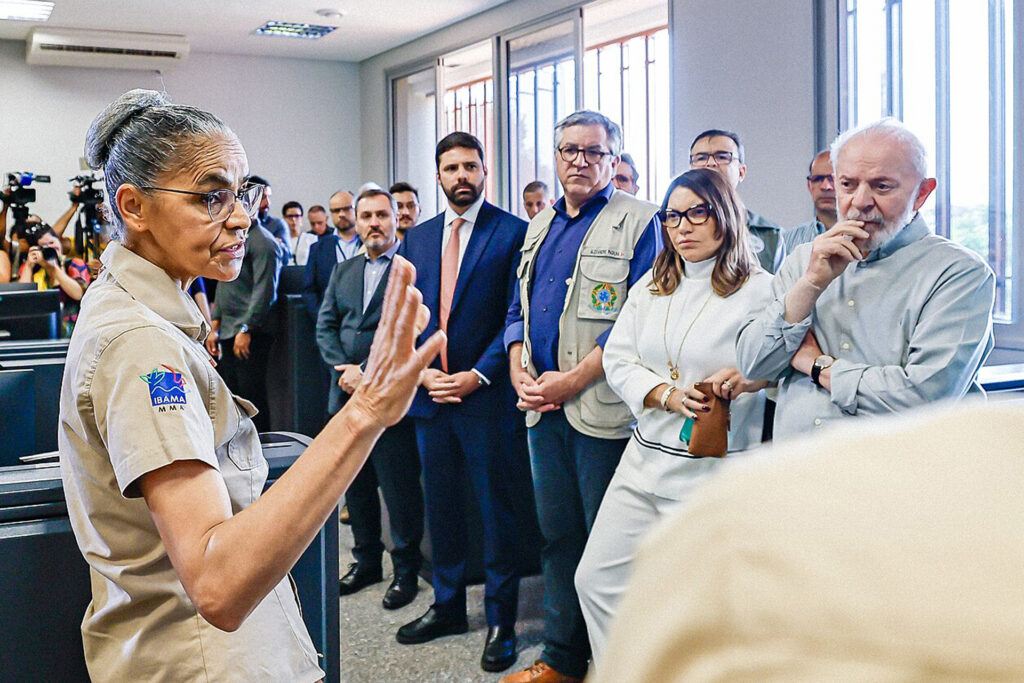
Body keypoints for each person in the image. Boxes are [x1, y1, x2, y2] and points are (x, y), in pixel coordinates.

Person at [58, 88, 443, 682]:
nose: (242, 216)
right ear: (133, 207)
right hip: (200, 660)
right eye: (212, 197)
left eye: (243, 194)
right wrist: (362, 414)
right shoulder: (140, 344)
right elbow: (218, 582)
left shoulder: (142, 307)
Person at [592, 400, 1024, 682]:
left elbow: (920, 389)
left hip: (730, 471)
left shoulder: (732, 532)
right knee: (593, 576)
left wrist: (818, 366)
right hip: (663, 454)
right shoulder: (798, 278)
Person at [575, 168, 772, 666]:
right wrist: (662, 393)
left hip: (711, 472)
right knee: (596, 580)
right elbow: (618, 357)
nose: (682, 226)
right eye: (672, 216)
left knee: (701, 607)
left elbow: (782, 367)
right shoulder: (654, 282)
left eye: (696, 213)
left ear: (724, 217)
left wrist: (750, 377)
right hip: (643, 460)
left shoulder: (761, 290)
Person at [502, 110, 660, 683]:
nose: (579, 161)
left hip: (602, 409)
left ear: (613, 161)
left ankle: (621, 664)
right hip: (541, 409)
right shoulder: (539, 225)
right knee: (558, 537)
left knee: (610, 546)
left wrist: (572, 380)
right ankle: (562, 660)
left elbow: (634, 323)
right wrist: (519, 364)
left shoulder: (642, 222)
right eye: (569, 150)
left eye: (593, 152)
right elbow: (517, 309)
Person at [736, 118, 995, 442]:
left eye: (881, 186)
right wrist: (810, 286)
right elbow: (753, 365)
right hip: (797, 474)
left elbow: (924, 400)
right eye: (847, 184)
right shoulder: (805, 258)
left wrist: (817, 366)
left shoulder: (959, 274)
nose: (860, 201)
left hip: (895, 481)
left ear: (922, 193)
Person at [397, 132, 529, 674]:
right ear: (437, 174)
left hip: (486, 397)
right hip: (431, 398)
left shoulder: (514, 232)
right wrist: (422, 371)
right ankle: (448, 605)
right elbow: (405, 314)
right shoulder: (419, 238)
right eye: (450, 168)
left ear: (484, 172)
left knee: (497, 510)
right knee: (442, 506)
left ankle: (501, 620)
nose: (461, 176)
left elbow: (517, 317)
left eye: (470, 166)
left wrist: (478, 374)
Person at [316, 188, 424, 610]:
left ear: (396, 218)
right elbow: (325, 326)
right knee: (355, 486)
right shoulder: (343, 271)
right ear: (356, 223)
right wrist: (343, 369)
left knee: (398, 490)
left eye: (382, 214)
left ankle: (406, 571)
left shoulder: (411, 269)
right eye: (367, 216)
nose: (374, 223)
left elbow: (411, 328)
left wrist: (369, 373)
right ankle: (366, 562)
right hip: (344, 395)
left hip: (388, 397)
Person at [206, 191, 283, 433]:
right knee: (232, 395)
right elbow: (224, 284)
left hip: (249, 334)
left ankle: (260, 449)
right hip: (228, 330)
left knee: (252, 397)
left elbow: (264, 292)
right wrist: (214, 325)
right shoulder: (233, 241)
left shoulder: (265, 243)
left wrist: (245, 329)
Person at [689, 128, 786, 273]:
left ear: (741, 172)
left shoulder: (769, 235)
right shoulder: (676, 227)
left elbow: (779, 292)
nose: (710, 163)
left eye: (722, 157)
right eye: (701, 158)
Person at [18, 227, 91, 335]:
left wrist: (54, 268)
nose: (50, 247)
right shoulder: (36, 270)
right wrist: (29, 266)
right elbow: (20, 300)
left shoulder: (74, 264)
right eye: (43, 246)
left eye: (52, 242)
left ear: (59, 242)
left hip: (75, 330)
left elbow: (78, 294)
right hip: (43, 329)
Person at [303, 190, 359, 319]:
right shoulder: (318, 249)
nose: (341, 214)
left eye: (347, 209)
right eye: (336, 211)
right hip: (331, 321)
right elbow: (309, 290)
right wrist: (320, 318)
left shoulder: (368, 244)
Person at [784, 149, 838, 250]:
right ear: (809, 186)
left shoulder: (866, 240)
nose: (826, 187)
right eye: (818, 179)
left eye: (833, 179)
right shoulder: (787, 242)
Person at [246, 174, 292, 266]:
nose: (268, 203)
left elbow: (286, 258)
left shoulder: (277, 224)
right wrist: (273, 241)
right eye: (263, 197)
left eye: (269, 197)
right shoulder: (239, 224)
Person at [282, 200, 314, 265]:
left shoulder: (311, 239)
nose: (293, 219)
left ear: (301, 218)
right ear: (284, 219)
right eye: (290, 216)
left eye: (297, 216)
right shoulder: (280, 241)